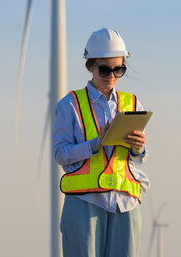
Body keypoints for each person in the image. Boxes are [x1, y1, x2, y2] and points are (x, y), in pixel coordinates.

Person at [52, 28, 149, 257]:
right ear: (90, 66)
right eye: (105, 70)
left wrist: (139, 148)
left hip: (125, 203)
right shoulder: (70, 105)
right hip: (85, 201)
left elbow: (136, 160)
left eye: (119, 70)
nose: (112, 76)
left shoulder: (134, 104)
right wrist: (95, 144)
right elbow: (60, 153)